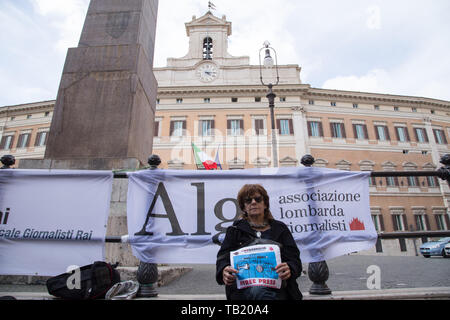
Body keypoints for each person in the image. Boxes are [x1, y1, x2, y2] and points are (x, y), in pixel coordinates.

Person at [216, 184, 303, 300]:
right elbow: (222, 259)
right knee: (258, 291)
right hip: (244, 291)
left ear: (265, 204)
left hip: (280, 288)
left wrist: (290, 268)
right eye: (248, 200)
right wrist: (224, 271)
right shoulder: (234, 231)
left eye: (258, 199)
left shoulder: (280, 229)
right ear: (244, 207)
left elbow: (295, 260)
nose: (253, 202)